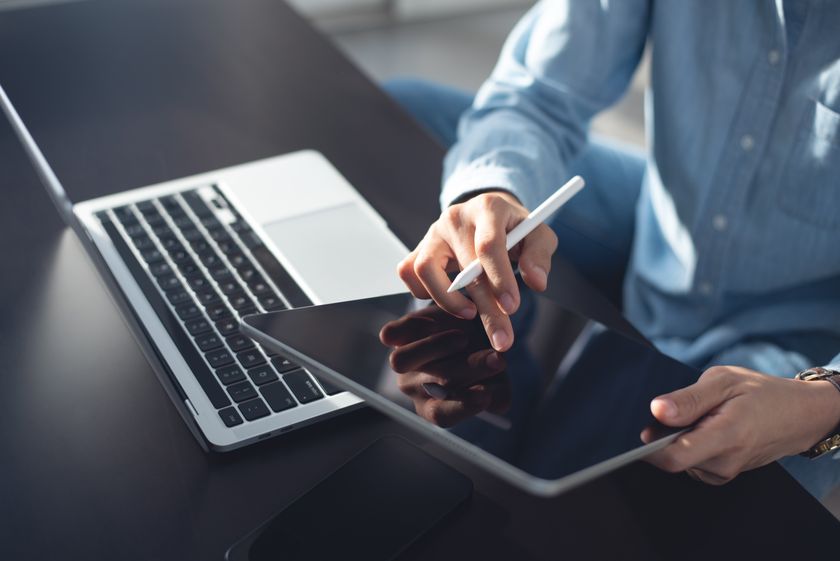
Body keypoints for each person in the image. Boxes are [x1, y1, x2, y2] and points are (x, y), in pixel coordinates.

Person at [384, 0, 840, 497]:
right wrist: (492, 193)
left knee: (675, 500)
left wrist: (825, 403)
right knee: (404, 112)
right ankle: (491, 385)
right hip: (668, 216)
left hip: (806, 340)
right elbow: (536, 95)